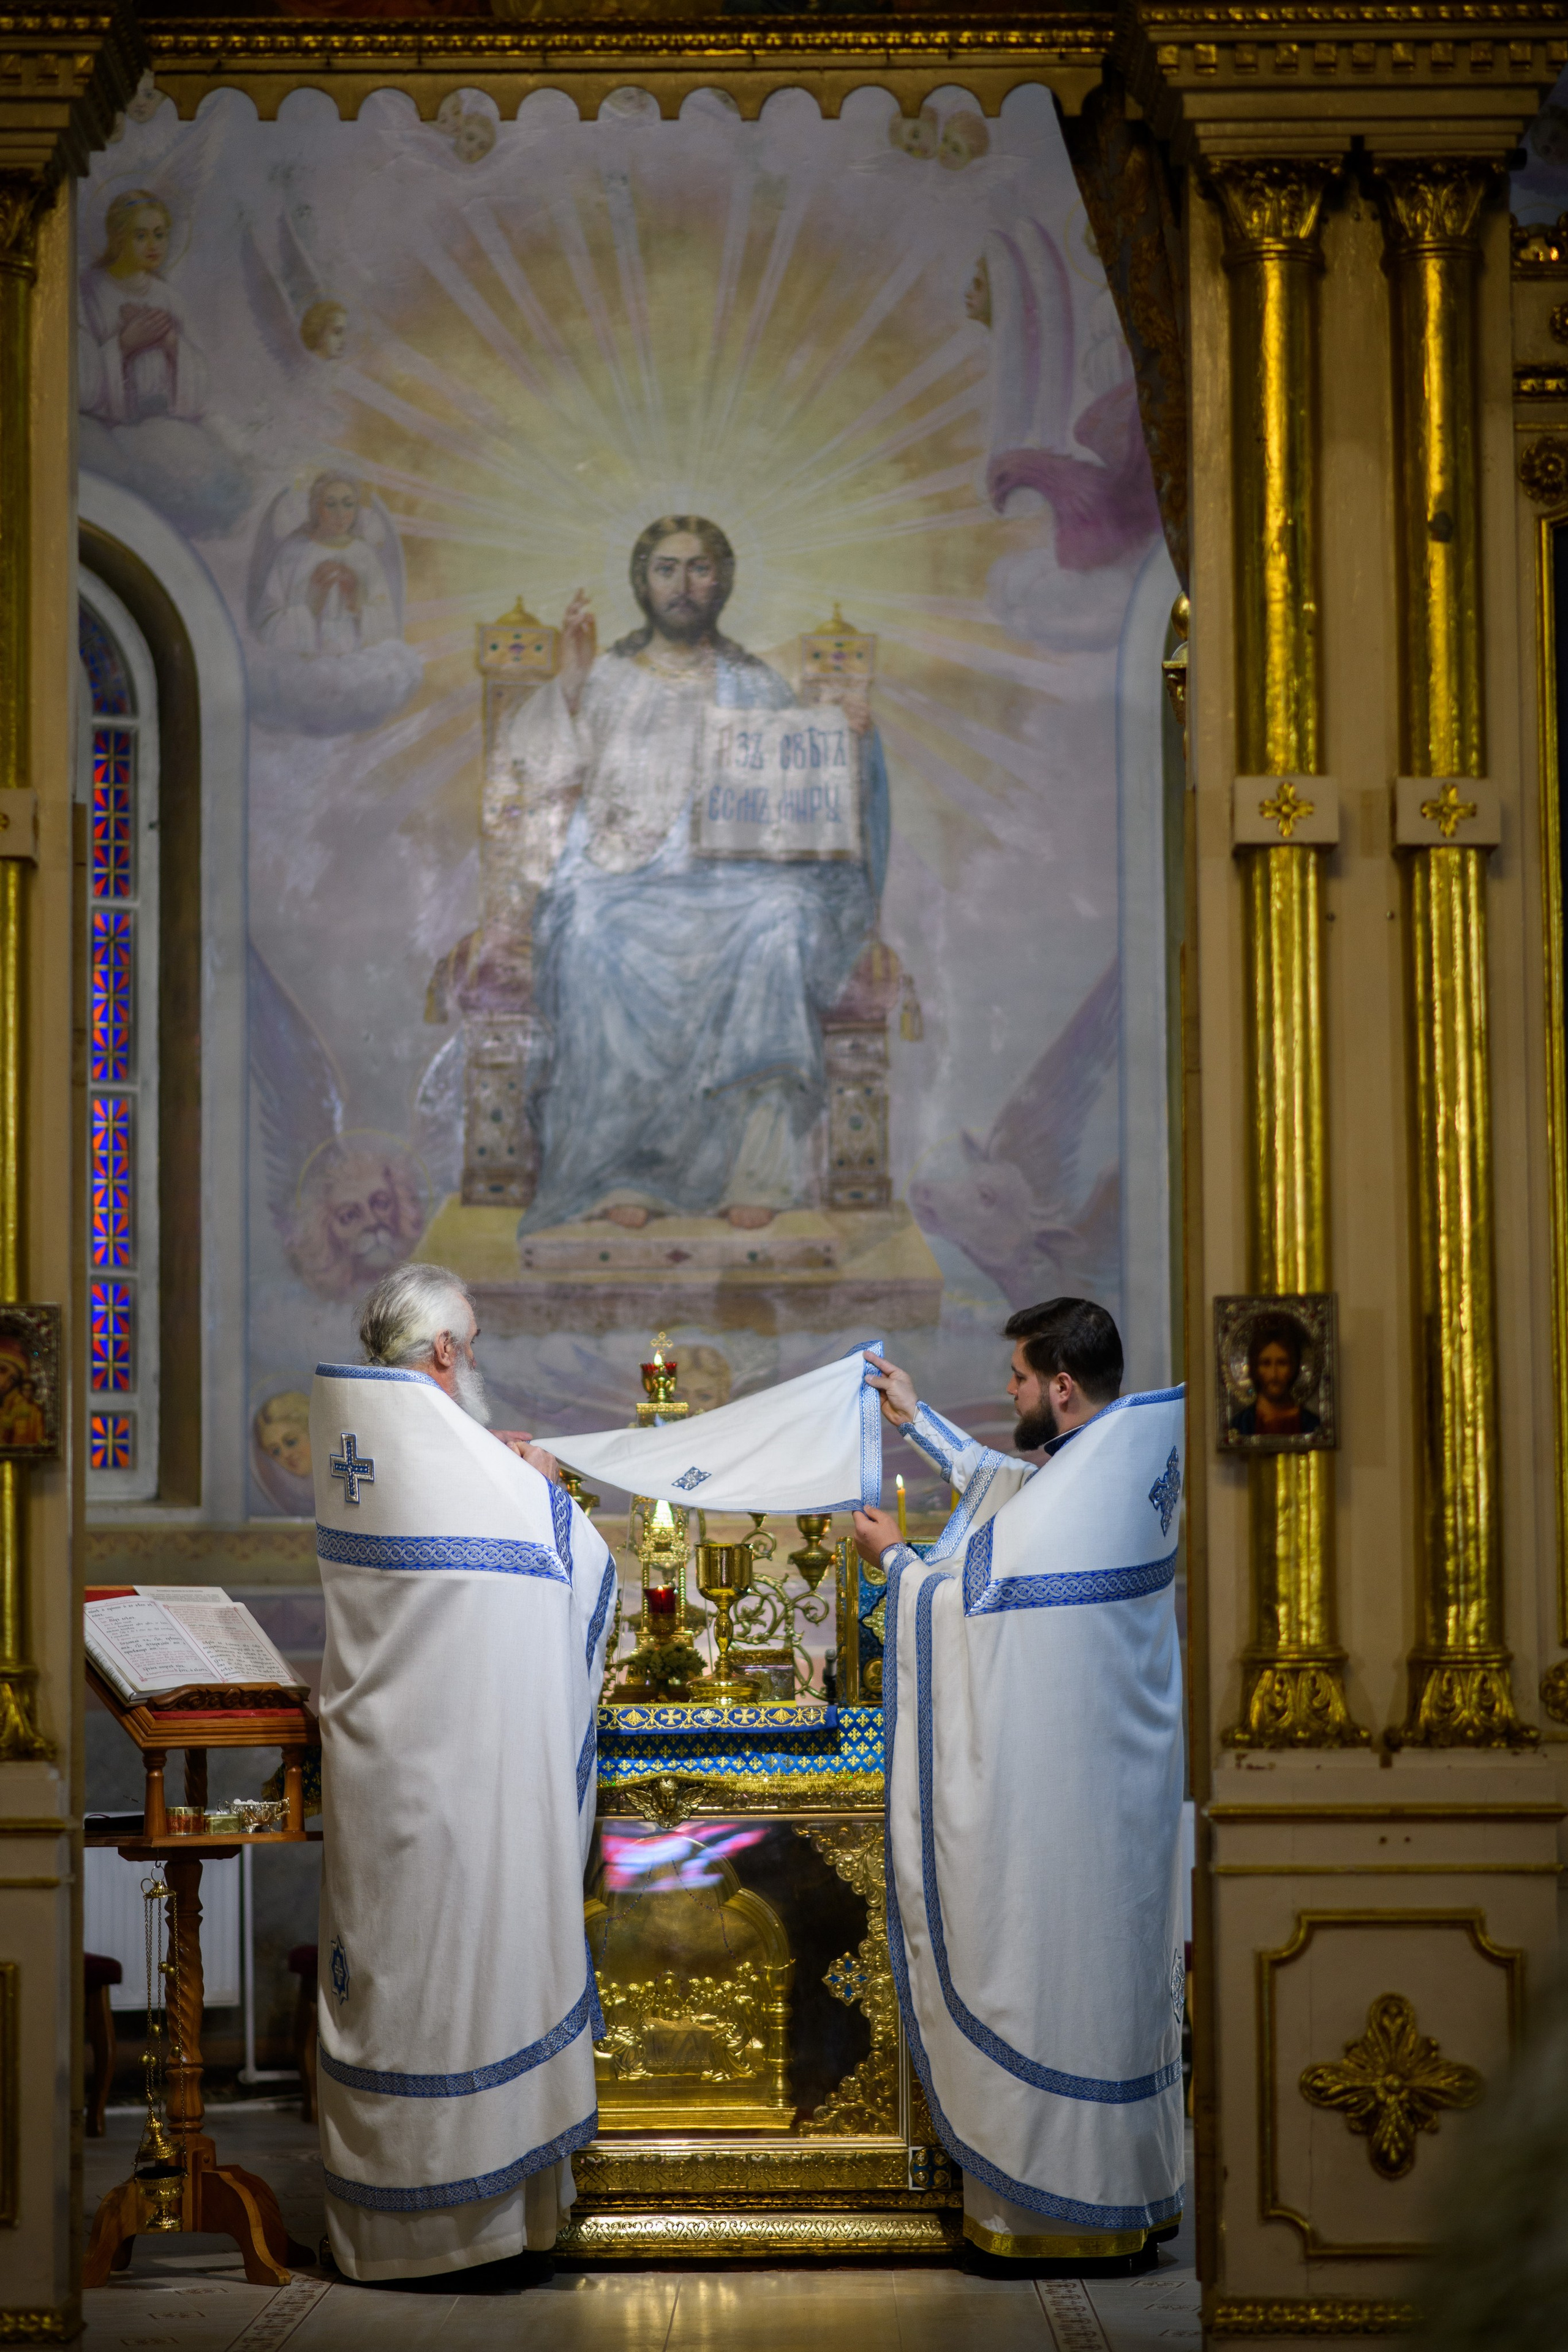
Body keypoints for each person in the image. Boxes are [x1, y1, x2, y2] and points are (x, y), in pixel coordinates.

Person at [854, 1297, 1185, 2271]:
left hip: (1065, 1811)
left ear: (1063, 1387)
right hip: (1111, 1797)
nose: (1010, 1394)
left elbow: (964, 1607)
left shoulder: (1084, 1488)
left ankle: (1055, 2218)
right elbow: (1014, 1492)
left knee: (1057, 1980)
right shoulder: (1114, 1462)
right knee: (1106, 1993)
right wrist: (918, 1421)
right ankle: (1121, 2196)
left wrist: (897, 1564)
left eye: (1018, 1381)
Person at [311, 1262, 617, 2281]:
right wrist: (546, 1492)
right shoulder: (459, 1458)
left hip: (381, 1785)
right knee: (467, 1981)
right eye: (471, 1342)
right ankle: (477, 2231)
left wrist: (515, 1481)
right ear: (442, 1349)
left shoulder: (363, 1438)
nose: (474, 1358)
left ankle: (393, 2231)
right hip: (461, 1799)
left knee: (404, 1990)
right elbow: (567, 1571)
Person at [493, 515, 890, 1232]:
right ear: (642, 582)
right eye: (666, 568)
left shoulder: (753, 683)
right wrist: (573, 686)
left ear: (723, 581)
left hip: (731, 886)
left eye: (699, 568)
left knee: (780, 921)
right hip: (622, 877)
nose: (683, 584)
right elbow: (540, 778)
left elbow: (802, 789)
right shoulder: (608, 676)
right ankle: (623, 1169)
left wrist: (849, 736)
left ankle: (756, 1172)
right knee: (588, 932)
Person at [253, 475, 400, 658]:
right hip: (305, 667)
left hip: (354, 666)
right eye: (331, 504)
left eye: (348, 504)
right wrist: (311, 608)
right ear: (316, 508)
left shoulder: (365, 556)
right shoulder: (293, 553)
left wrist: (356, 605)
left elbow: (389, 627)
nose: (340, 514)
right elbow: (265, 627)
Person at [1229, 1313, 1320, 1439]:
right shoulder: (1241, 1425)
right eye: (1266, 1363)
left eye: (1282, 1363)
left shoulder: (1311, 1425)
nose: (1274, 1374)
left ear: (1294, 1367)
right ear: (1255, 1368)